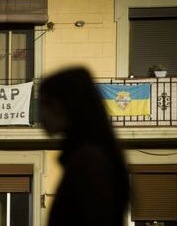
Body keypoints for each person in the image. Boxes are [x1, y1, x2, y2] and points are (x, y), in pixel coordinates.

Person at [39, 66, 129, 226]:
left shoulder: (89, 161)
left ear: (63, 105)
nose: (41, 114)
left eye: (46, 103)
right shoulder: (88, 156)